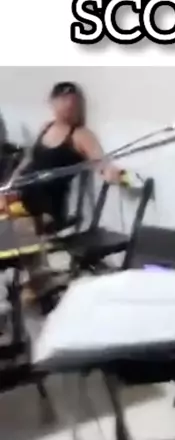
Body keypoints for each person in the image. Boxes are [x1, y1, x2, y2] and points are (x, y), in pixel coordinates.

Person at [11, 82, 121, 301]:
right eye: (63, 101)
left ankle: (41, 282)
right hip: (22, 196)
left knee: (17, 228)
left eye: (73, 103)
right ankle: (35, 279)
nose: (69, 107)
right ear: (52, 103)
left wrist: (110, 172)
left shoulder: (80, 135)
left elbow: (100, 161)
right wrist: (12, 180)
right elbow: (29, 159)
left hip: (48, 206)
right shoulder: (46, 128)